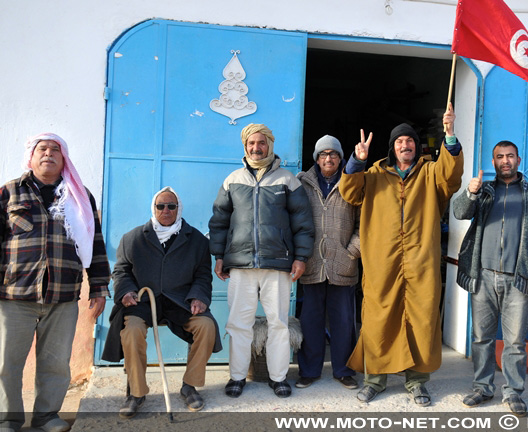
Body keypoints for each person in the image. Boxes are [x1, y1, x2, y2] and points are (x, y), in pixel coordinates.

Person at [339, 103, 463, 406]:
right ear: (392, 148)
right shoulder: (373, 175)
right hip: (383, 262)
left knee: (420, 319)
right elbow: (349, 193)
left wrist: (449, 136)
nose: (405, 145)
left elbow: (451, 177)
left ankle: (417, 381)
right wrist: (357, 160)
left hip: (421, 262)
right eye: (399, 141)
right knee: (378, 318)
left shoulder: (430, 173)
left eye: (409, 141)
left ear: (416, 147)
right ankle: (374, 380)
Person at [0, 133, 110, 432]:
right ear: (31, 157)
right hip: (14, 296)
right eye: (42, 149)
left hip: (63, 295)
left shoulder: (79, 195)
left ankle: (46, 416)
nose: (48, 154)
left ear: (64, 160)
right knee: (6, 364)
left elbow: (95, 243)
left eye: (55, 150)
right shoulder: (9, 192)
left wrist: (99, 287)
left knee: (55, 363)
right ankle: (7, 419)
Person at [209, 123, 314, 398]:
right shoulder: (232, 180)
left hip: (278, 264)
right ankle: (237, 377)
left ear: (270, 144)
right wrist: (219, 256)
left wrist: (301, 257)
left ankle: (278, 378)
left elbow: (302, 222)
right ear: (245, 147)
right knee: (238, 324)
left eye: (261, 143)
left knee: (277, 323)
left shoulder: (287, 180)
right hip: (241, 265)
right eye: (251, 144)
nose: (256, 148)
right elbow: (219, 222)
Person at [101, 186, 221, 418]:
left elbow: (203, 275)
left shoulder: (196, 240)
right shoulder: (133, 238)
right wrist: (126, 291)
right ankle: (136, 392)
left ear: (179, 209)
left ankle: (190, 386)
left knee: (206, 326)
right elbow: (121, 271)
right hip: (143, 302)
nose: (166, 210)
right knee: (132, 330)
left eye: (171, 206)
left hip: (181, 302)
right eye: (161, 206)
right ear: (153, 208)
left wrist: (199, 297)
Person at [453, 141, 528, 416]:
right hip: (482, 275)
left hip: (518, 278)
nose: (505, 160)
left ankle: (513, 393)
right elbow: (460, 212)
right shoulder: (484, 191)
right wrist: (470, 193)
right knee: (481, 338)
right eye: (500, 157)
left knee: (515, 342)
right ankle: (483, 388)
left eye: (510, 156)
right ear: (494, 161)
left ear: (519, 160)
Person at [295, 135, 361, 390]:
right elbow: (294, 220)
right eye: (323, 154)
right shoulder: (303, 183)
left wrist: (352, 252)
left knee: (344, 321)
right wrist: (300, 254)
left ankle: (344, 370)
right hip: (311, 263)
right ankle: (309, 371)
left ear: (341, 158)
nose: (328, 158)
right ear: (317, 159)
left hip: (342, 263)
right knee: (310, 321)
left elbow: (364, 223)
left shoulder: (352, 183)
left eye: (333, 154)